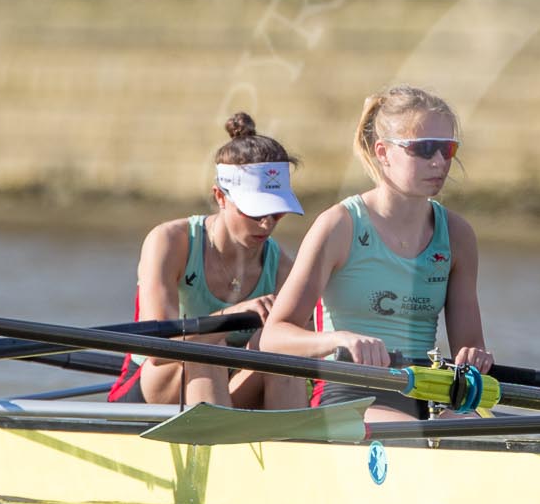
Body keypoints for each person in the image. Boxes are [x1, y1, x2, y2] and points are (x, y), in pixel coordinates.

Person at [259, 85, 491, 422]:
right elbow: (274, 337)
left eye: (448, 149)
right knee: (415, 437)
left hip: (427, 388)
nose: (440, 162)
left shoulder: (457, 235)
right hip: (350, 388)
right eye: (424, 149)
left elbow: (470, 348)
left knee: (496, 437)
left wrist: (475, 357)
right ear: (383, 152)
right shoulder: (339, 226)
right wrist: (339, 339)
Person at [107, 113, 302, 408]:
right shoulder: (170, 241)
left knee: (283, 351)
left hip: (226, 389)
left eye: (276, 212)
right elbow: (158, 351)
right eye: (255, 211)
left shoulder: (283, 267)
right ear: (220, 197)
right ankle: (216, 442)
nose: (266, 224)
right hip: (153, 388)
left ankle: (291, 446)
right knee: (210, 348)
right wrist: (228, 318)